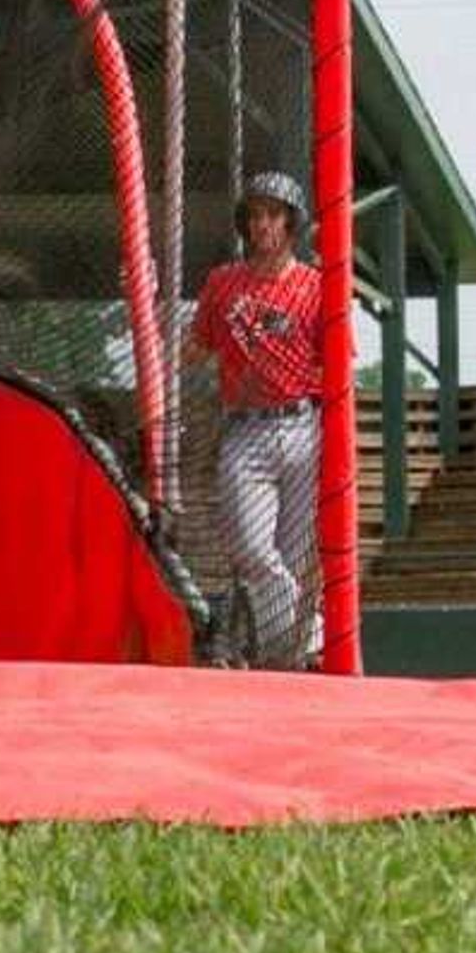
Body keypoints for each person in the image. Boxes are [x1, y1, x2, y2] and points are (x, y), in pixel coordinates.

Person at [189, 171, 332, 666]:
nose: (262, 224)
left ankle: (288, 662)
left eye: (273, 214)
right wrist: (150, 297)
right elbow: (193, 350)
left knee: (295, 555)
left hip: (303, 424)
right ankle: (312, 633)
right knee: (250, 548)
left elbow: (339, 367)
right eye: (254, 214)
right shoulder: (223, 283)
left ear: (292, 223)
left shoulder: (316, 288)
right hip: (245, 427)